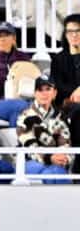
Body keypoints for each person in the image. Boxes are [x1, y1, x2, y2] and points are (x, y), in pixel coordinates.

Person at [17, 75, 72, 182]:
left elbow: (65, 142)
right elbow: (30, 146)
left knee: (57, 171)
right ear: (35, 93)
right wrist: (50, 158)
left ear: (55, 93)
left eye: (48, 89)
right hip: (31, 162)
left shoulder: (61, 116)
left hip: (56, 163)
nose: (44, 93)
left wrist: (63, 157)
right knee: (52, 173)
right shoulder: (25, 116)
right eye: (40, 90)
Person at [50, 14, 80, 162]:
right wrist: (75, 91)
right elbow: (57, 86)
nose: (74, 35)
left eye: (78, 30)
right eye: (70, 31)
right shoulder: (58, 59)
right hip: (67, 103)